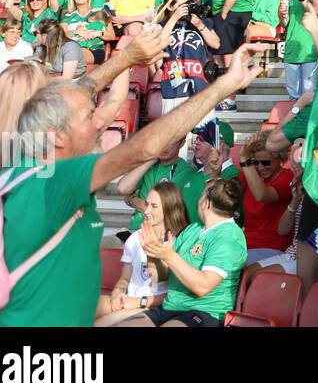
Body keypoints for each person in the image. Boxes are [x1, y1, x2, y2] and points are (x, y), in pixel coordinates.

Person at [0, 37, 263, 326]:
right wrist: (225, 85)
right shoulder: (58, 178)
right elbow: (146, 146)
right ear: (56, 136)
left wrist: (125, 59)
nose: (101, 123)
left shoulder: (23, 163)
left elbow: (74, 96)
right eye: (89, 117)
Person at [116, 176, 249, 327]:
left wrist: (169, 255)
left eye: (201, 195)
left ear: (206, 203)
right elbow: (161, 277)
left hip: (203, 313)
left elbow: (202, 286)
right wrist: (153, 251)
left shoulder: (229, 237)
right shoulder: (194, 229)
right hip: (169, 308)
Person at [95, 181, 190, 325]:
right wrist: (117, 292)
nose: (146, 211)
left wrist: (139, 301)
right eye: (146, 204)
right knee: (82, 308)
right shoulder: (134, 238)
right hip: (130, 300)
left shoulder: (180, 241)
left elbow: (171, 291)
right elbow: (125, 279)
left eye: (154, 206)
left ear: (169, 209)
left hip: (155, 308)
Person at [116, 133, 207, 235]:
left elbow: (166, 210)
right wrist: (151, 159)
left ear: (182, 143)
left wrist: (133, 201)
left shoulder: (188, 172)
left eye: (171, 141)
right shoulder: (148, 167)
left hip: (162, 235)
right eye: (161, 140)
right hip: (134, 230)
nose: (165, 145)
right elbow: (122, 189)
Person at [235, 133, 294, 264]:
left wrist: (245, 161)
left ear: (279, 158)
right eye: (256, 162)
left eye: (266, 162)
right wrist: (216, 171)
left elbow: (262, 195)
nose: (261, 167)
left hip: (273, 247)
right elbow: (227, 191)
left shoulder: (288, 177)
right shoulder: (253, 174)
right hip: (245, 244)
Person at [280, 0, 318, 102]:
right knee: (293, 98)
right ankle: (293, 124)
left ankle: (306, 125)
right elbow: (285, 23)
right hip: (292, 47)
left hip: (311, 50)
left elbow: (317, 15)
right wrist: (282, 13)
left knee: (309, 96)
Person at [61, 0, 115, 65]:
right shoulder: (68, 16)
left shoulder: (101, 12)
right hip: (71, 48)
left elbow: (111, 36)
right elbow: (60, 35)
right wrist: (76, 31)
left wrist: (95, 33)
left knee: (73, 53)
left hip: (93, 50)